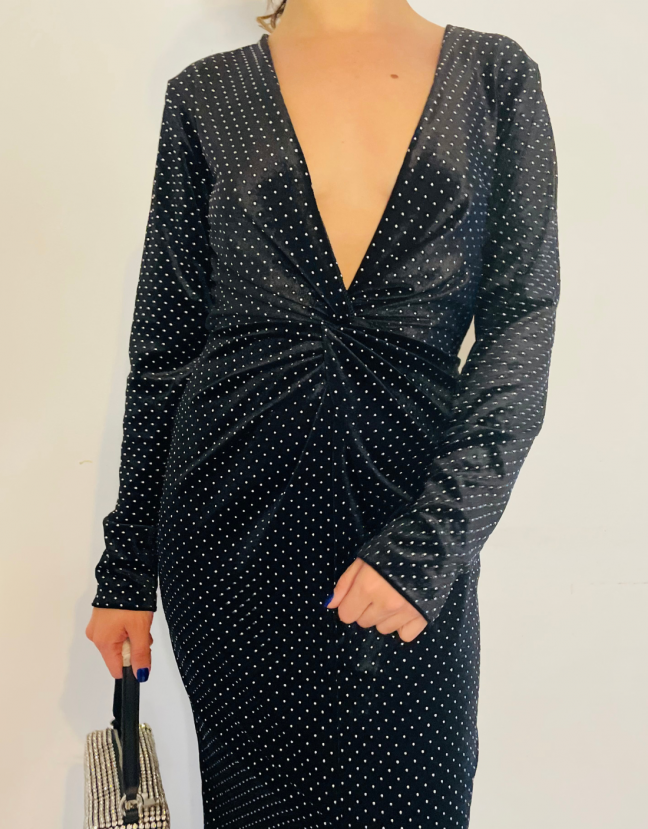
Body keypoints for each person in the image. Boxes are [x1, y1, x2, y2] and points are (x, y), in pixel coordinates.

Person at [86, 1, 560, 826]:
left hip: (411, 527)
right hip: (228, 542)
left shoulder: (495, 76)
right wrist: (127, 570)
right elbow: (166, 348)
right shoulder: (206, 93)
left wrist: (430, 545)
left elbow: (522, 319)